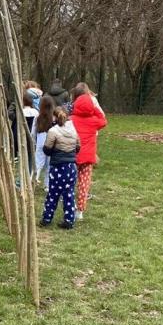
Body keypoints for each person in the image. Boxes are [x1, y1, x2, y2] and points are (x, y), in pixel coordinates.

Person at [70, 83, 107, 221]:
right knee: (84, 184)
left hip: (72, 156)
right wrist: (95, 108)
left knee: (70, 182)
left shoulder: (71, 120)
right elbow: (104, 120)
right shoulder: (94, 121)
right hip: (88, 158)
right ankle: (80, 210)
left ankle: (70, 205)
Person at [40, 107, 80, 229]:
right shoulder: (73, 129)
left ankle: (47, 218)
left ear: (55, 117)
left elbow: (47, 149)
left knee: (53, 193)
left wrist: (54, 152)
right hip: (71, 167)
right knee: (69, 194)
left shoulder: (53, 131)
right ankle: (69, 220)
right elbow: (78, 147)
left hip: (57, 167)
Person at [34, 94, 55, 191]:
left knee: (38, 163)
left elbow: (32, 133)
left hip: (40, 142)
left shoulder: (37, 118)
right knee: (50, 164)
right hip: (51, 143)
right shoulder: (54, 119)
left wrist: (33, 142)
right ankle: (47, 185)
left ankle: (34, 179)